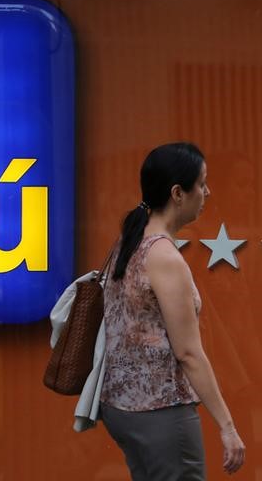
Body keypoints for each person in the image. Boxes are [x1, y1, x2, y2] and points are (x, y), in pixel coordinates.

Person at [100, 142, 246, 480]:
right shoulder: (165, 258)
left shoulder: (128, 242)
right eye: (202, 183)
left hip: (123, 406)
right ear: (178, 193)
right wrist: (227, 425)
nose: (208, 192)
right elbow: (188, 352)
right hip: (161, 410)